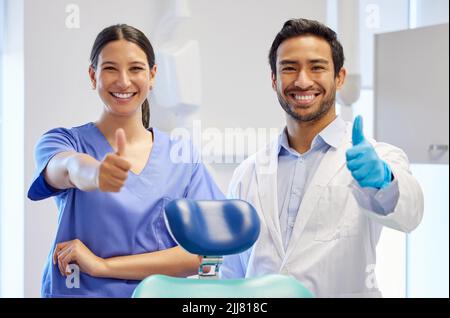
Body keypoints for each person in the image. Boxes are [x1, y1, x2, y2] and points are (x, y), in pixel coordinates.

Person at [219, 18, 424, 297]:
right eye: (289, 68)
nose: (303, 81)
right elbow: (231, 273)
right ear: (273, 80)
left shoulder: (377, 158)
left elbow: (409, 215)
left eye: (317, 67)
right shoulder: (248, 172)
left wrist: (383, 181)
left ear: (339, 77)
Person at [27, 24, 224, 298]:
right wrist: (95, 174)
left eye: (135, 69)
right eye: (110, 68)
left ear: (152, 75)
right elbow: (68, 167)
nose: (123, 81)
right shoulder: (64, 141)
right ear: (92, 75)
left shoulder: (181, 156)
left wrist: (103, 266)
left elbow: (206, 254)